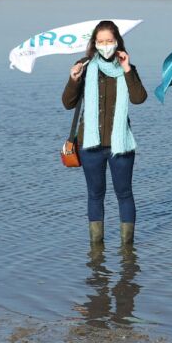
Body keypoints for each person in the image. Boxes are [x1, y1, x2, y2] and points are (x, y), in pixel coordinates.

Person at [62, 20, 147, 246]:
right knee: (95, 195)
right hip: (90, 145)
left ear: (117, 41)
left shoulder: (126, 67)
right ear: (94, 43)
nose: (105, 45)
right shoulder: (85, 66)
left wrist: (128, 69)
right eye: (101, 41)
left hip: (121, 145)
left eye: (109, 41)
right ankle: (96, 250)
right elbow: (68, 103)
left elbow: (139, 98)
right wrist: (73, 79)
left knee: (124, 194)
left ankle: (127, 249)